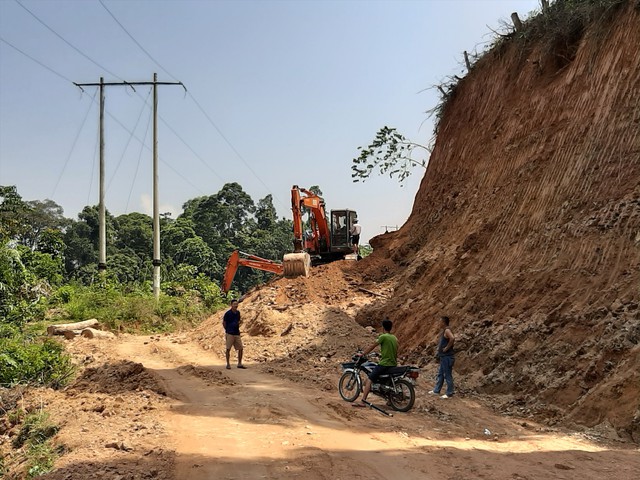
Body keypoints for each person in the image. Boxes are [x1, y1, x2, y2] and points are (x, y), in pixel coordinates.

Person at [355, 318, 398, 407]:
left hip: (385, 364)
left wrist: (363, 354)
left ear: (383, 327)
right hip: (393, 363)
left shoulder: (383, 337)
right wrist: (381, 354)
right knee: (385, 381)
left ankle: (363, 401)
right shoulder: (394, 338)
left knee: (370, 379)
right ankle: (390, 400)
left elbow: (372, 346)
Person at [430, 316, 455, 398]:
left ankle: (449, 392)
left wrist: (446, 348)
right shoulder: (445, 330)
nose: (439, 323)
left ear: (443, 322)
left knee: (447, 375)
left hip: (447, 357)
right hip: (444, 357)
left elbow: (452, 338)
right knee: (440, 374)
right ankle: (437, 390)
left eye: (440, 321)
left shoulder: (447, 330)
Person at [222, 299, 246, 369]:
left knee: (241, 348)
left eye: (236, 304)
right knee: (228, 349)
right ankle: (228, 364)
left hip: (236, 333)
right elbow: (224, 323)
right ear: (231, 305)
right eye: (234, 304)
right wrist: (227, 330)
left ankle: (239, 363)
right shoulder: (227, 313)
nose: (236, 305)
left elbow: (238, 321)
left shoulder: (238, 313)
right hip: (230, 333)